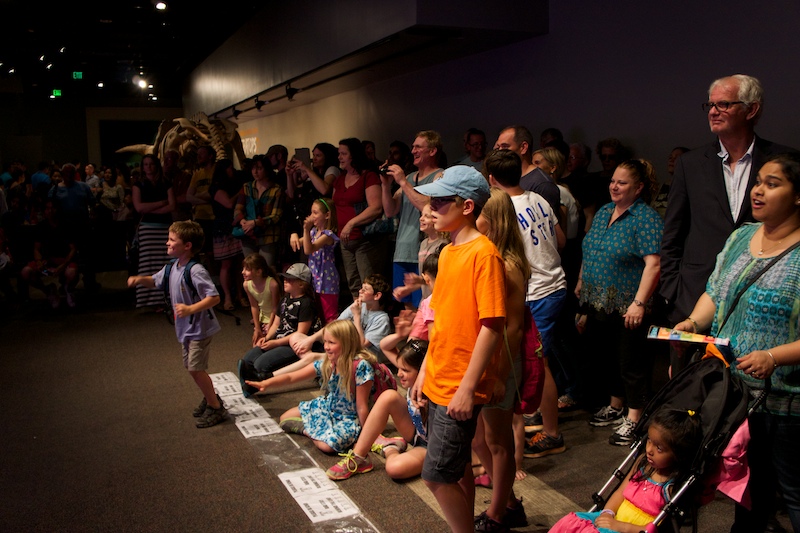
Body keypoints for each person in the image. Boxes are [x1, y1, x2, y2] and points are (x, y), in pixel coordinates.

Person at [673, 154, 800, 532]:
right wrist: (693, 322)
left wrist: (773, 356)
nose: (758, 190)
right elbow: (716, 291)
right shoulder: (741, 235)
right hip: (735, 395)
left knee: (793, 491)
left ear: (798, 196)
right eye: (758, 181)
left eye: (773, 184)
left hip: (786, 402)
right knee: (747, 492)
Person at [660, 74, 798, 378]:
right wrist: (674, 292)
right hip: (695, 299)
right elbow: (672, 232)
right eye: (710, 104)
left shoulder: (782, 161)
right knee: (688, 398)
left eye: (724, 104)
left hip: (763, 308)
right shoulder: (691, 163)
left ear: (751, 110)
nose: (713, 111)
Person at [412, 165, 505, 533]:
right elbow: (443, 323)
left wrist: (468, 386)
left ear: (467, 206)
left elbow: (492, 327)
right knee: (457, 469)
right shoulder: (448, 251)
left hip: (458, 384)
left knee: (436, 476)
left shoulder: (484, 254)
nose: (431, 207)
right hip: (439, 377)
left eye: (440, 201)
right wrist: (422, 371)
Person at [482, 149, 567, 460]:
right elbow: (560, 240)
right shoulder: (538, 198)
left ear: (490, 179)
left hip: (537, 290)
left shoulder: (502, 206)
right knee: (534, 361)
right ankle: (531, 417)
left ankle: (553, 434)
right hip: (553, 282)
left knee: (538, 364)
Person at [577, 159, 663, 446]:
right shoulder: (603, 211)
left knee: (631, 362)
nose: (614, 186)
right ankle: (616, 405)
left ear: (638, 188)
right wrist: (581, 280)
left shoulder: (646, 218)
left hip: (629, 305)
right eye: (613, 180)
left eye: (622, 182)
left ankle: (635, 417)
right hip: (599, 302)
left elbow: (654, 264)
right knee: (607, 358)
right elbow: (590, 248)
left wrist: (639, 303)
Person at [127, 221, 227, 428]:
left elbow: (214, 297)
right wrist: (139, 279)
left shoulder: (196, 270)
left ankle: (216, 406)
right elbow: (154, 281)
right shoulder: (172, 267)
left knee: (195, 368)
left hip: (200, 328)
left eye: (173, 240)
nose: (167, 243)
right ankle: (210, 397)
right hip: (186, 329)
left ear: (187, 245)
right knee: (192, 368)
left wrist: (191, 309)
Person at [472, 187, 531, 532]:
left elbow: (512, 329)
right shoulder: (491, 256)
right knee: (480, 440)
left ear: (490, 220)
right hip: (488, 362)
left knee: (497, 441)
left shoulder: (508, 266)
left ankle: (499, 513)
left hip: (502, 363)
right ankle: (507, 501)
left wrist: (498, 374)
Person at [549, 408, 702, 533]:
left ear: (678, 454)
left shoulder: (671, 485)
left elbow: (659, 529)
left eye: (659, 448)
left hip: (632, 530)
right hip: (613, 519)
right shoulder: (642, 465)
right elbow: (620, 492)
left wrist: (619, 526)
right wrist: (607, 513)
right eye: (649, 440)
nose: (649, 450)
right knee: (571, 522)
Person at [245, 320, 376, 454]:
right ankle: (316, 431)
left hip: (349, 417)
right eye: (325, 342)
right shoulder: (328, 363)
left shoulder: (360, 366)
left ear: (347, 343)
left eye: (332, 342)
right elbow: (292, 377)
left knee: (328, 446)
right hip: (328, 407)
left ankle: (311, 431)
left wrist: (366, 437)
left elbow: (361, 406)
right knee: (285, 417)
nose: (326, 347)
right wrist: (266, 383)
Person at [325, 338, 429, 481]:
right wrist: (399, 334)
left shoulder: (436, 393)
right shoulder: (413, 382)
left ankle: (390, 448)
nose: (399, 374)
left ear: (423, 372)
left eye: (405, 370)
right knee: (388, 397)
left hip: (431, 447)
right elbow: (385, 346)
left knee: (395, 468)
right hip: (417, 433)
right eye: (398, 368)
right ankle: (358, 457)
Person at [237, 263, 322, 395]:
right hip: (279, 339)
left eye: (290, 279)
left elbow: (301, 333)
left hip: (293, 344)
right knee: (249, 358)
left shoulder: (306, 303)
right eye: (285, 278)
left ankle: (256, 382)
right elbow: (276, 324)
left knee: (260, 364)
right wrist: (266, 338)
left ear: (301, 284)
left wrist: (275, 343)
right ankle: (250, 381)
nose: (285, 280)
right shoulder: (284, 300)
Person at [383, 130, 445, 308]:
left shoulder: (440, 177)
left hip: (424, 249)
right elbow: (390, 210)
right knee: (407, 308)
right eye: (413, 147)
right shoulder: (410, 178)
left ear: (432, 151)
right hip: (402, 250)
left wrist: (402, 182)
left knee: (425, 305)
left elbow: (428, 206)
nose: (413, 151)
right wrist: (385, 185)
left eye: (418, 147)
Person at [286, 274, 392, 370]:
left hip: (363, 358)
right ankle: (325, 367)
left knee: (312, 357)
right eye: (361, 288)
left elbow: (361, 345)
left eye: (365, 290)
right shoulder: (359, 306)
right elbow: (334, 325)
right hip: (346, 349)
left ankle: (273, 376)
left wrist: (356, 316)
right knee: (296, 337)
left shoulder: (382, 319)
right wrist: (310, 340)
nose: (360, 291)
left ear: (377, 296)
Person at [332, 138, 383, 299]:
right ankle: (358, 319)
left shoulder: (368, 176)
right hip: (345, 240)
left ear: (353, 155)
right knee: (353, 283)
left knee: (367, 283)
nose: (340, 157)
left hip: (364, 239)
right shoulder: (340, 178)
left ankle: (374, 319)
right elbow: (334, 204)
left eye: (344, 153)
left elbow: (376, 207)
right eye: (339, 153)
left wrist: (351, 223)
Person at [132, 154, 176, 309]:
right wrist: (161, 203)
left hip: (164, 227)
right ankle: (148, 300)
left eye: (151, 164)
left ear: (156, 165)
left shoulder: (166, 183)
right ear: (142, 167)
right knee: (148, 264)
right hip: (148, 230)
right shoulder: (138, 185)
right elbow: (139, 207)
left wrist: (151, 209)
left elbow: (172, 206)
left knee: (165, 263)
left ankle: (166, 298)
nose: (149, 167)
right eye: (146, 164)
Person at [18, 198, 79, 308]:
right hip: (47, 262)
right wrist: (39, 261)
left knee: (72, 273)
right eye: (47, 209)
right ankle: (48, 291)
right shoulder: (41, 227)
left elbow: (73, 249)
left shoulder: (66, 225)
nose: (50, 211)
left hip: (63, 261)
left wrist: (63, 265)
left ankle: (68, 290)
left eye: (53, 208)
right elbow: (36, 249)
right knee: (26, 272)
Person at [494, 125, 562, 222]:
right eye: (498, 148)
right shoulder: (508, 178)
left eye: (505, 147)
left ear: (523, 147)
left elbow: (549, 229)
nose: (500, 152)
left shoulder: (542, 184)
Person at [287, 142, 340, 256]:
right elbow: (292, 194)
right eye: (313, 155)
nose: (314, 159)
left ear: (327, 156)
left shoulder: (332, 170)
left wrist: (306, 168)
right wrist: (289, 175)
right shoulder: (312, 173)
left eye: (318, 155)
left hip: (324, 221)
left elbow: (324, 189)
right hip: (311, 221)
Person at [234, 154, 284, 270]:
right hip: (248, 233)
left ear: (267, 169)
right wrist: (242, 221)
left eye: (259, 168)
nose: (255, 172)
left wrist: (256, 222)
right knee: (250, 269)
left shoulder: (276, 189)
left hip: (268, 235)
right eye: (253, 168)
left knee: (267, 270)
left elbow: (276, 216)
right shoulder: (247, 187)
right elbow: (238, 208)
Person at [392, 202, 448, 302]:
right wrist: (408, 289)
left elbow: (438, 279)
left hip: (438, 301)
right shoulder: (423, 243)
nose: (421, 219)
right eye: (421, 215)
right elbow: (426, 281)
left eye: (426, 216)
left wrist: (420, 280)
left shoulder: (443, 245)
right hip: (425, 301)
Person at [208, 159, 244, 310]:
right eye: (230, 168)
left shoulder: (233, 183)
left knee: (238, 263)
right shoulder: (216, 187)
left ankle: (240, 295)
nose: (232, 170)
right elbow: (228, 203)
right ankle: (227, 297)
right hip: (223, 228)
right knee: (226, 263)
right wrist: (240, 192)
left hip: (235, 225)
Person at [301, 198, 340, 323]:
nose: (312, 217)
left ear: (327, 215)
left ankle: (335, 340)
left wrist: (305, 230)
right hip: (315, 280)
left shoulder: (328, 235)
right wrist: (294, 236)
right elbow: (300, 242)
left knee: (329, 316)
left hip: (327, 281)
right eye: (311, 213)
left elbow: (308, 249)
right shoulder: (313, 232)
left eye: (315, 213)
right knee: (318, 314)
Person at [242, 252, 281, 347]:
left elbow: (275, 308)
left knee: (266, 345)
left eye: (247, 269)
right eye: (243, 268)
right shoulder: (247, 285)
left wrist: (270, 325)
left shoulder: (272, 284)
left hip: (275, 318)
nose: (243, 272)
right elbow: (254, 306)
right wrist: (257, 327)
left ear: (259, 272)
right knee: (256, 345)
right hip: (262, 318)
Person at [186, 145, 217, 260]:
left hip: (214, 218)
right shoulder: (197, 174)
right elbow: (188, 197)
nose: (198, 156)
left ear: (210, 156)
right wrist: (207, 199)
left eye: (202, 153)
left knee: (214, 252)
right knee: (204, 252)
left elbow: (213, 194)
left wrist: (198, 198)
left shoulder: (217, 171)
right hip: (201, 218)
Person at [650, 146, 689, 220]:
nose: (672, 160)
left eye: (677, 157)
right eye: (670, 157)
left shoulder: (689, 188)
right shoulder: (661, 187)